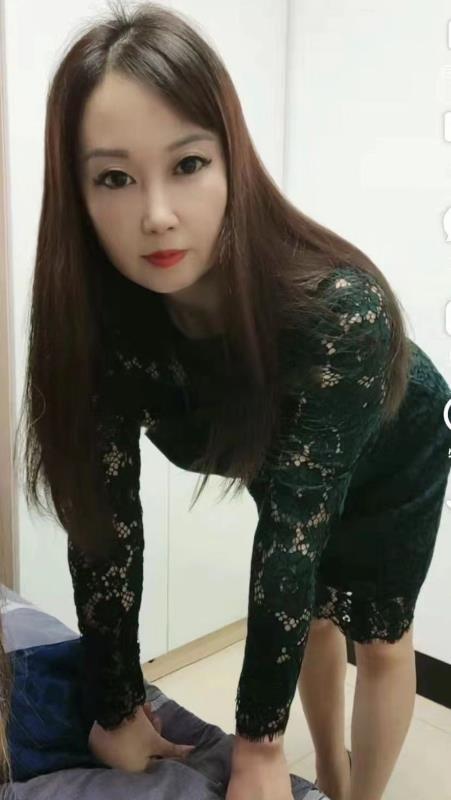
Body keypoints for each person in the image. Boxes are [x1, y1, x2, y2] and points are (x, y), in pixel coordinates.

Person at [12, 2, 451, 799]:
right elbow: (104, 525)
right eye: (114, 178)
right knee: (312, 613)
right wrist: (117, 704)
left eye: (187, 164)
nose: (156, 216)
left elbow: (288, 546)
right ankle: (331, 769)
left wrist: (256, 747)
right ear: (77, 193)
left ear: (231, 164)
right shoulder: (106, 325)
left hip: (393, 442)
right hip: (285, 438)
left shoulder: (340, 316)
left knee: (380, 636)